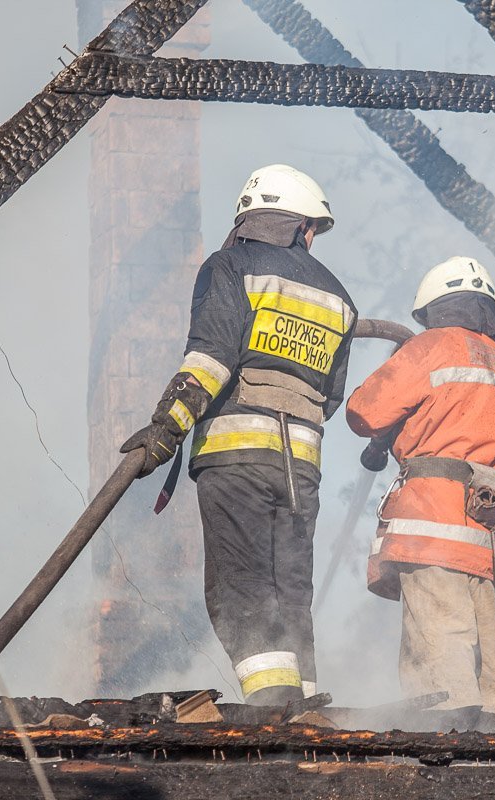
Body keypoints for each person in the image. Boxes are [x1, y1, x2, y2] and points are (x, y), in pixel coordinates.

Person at [121, 164, 357, 705]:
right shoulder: (340, 297)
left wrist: (167, 428)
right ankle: (307, 705)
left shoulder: (229, 266)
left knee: (243, 585)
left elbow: (211, 357)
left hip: (235, 459)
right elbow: (333, 395)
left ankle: (272, 707)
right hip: (301, 467)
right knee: (292, 588)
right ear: (300, 226)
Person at [346, 256, 495, 712]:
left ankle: (447, 746)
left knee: (438, 645)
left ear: (435, 310)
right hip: (489, 531)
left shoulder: (431, 347)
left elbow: (364, 411)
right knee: (492, 648)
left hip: (433, 522)